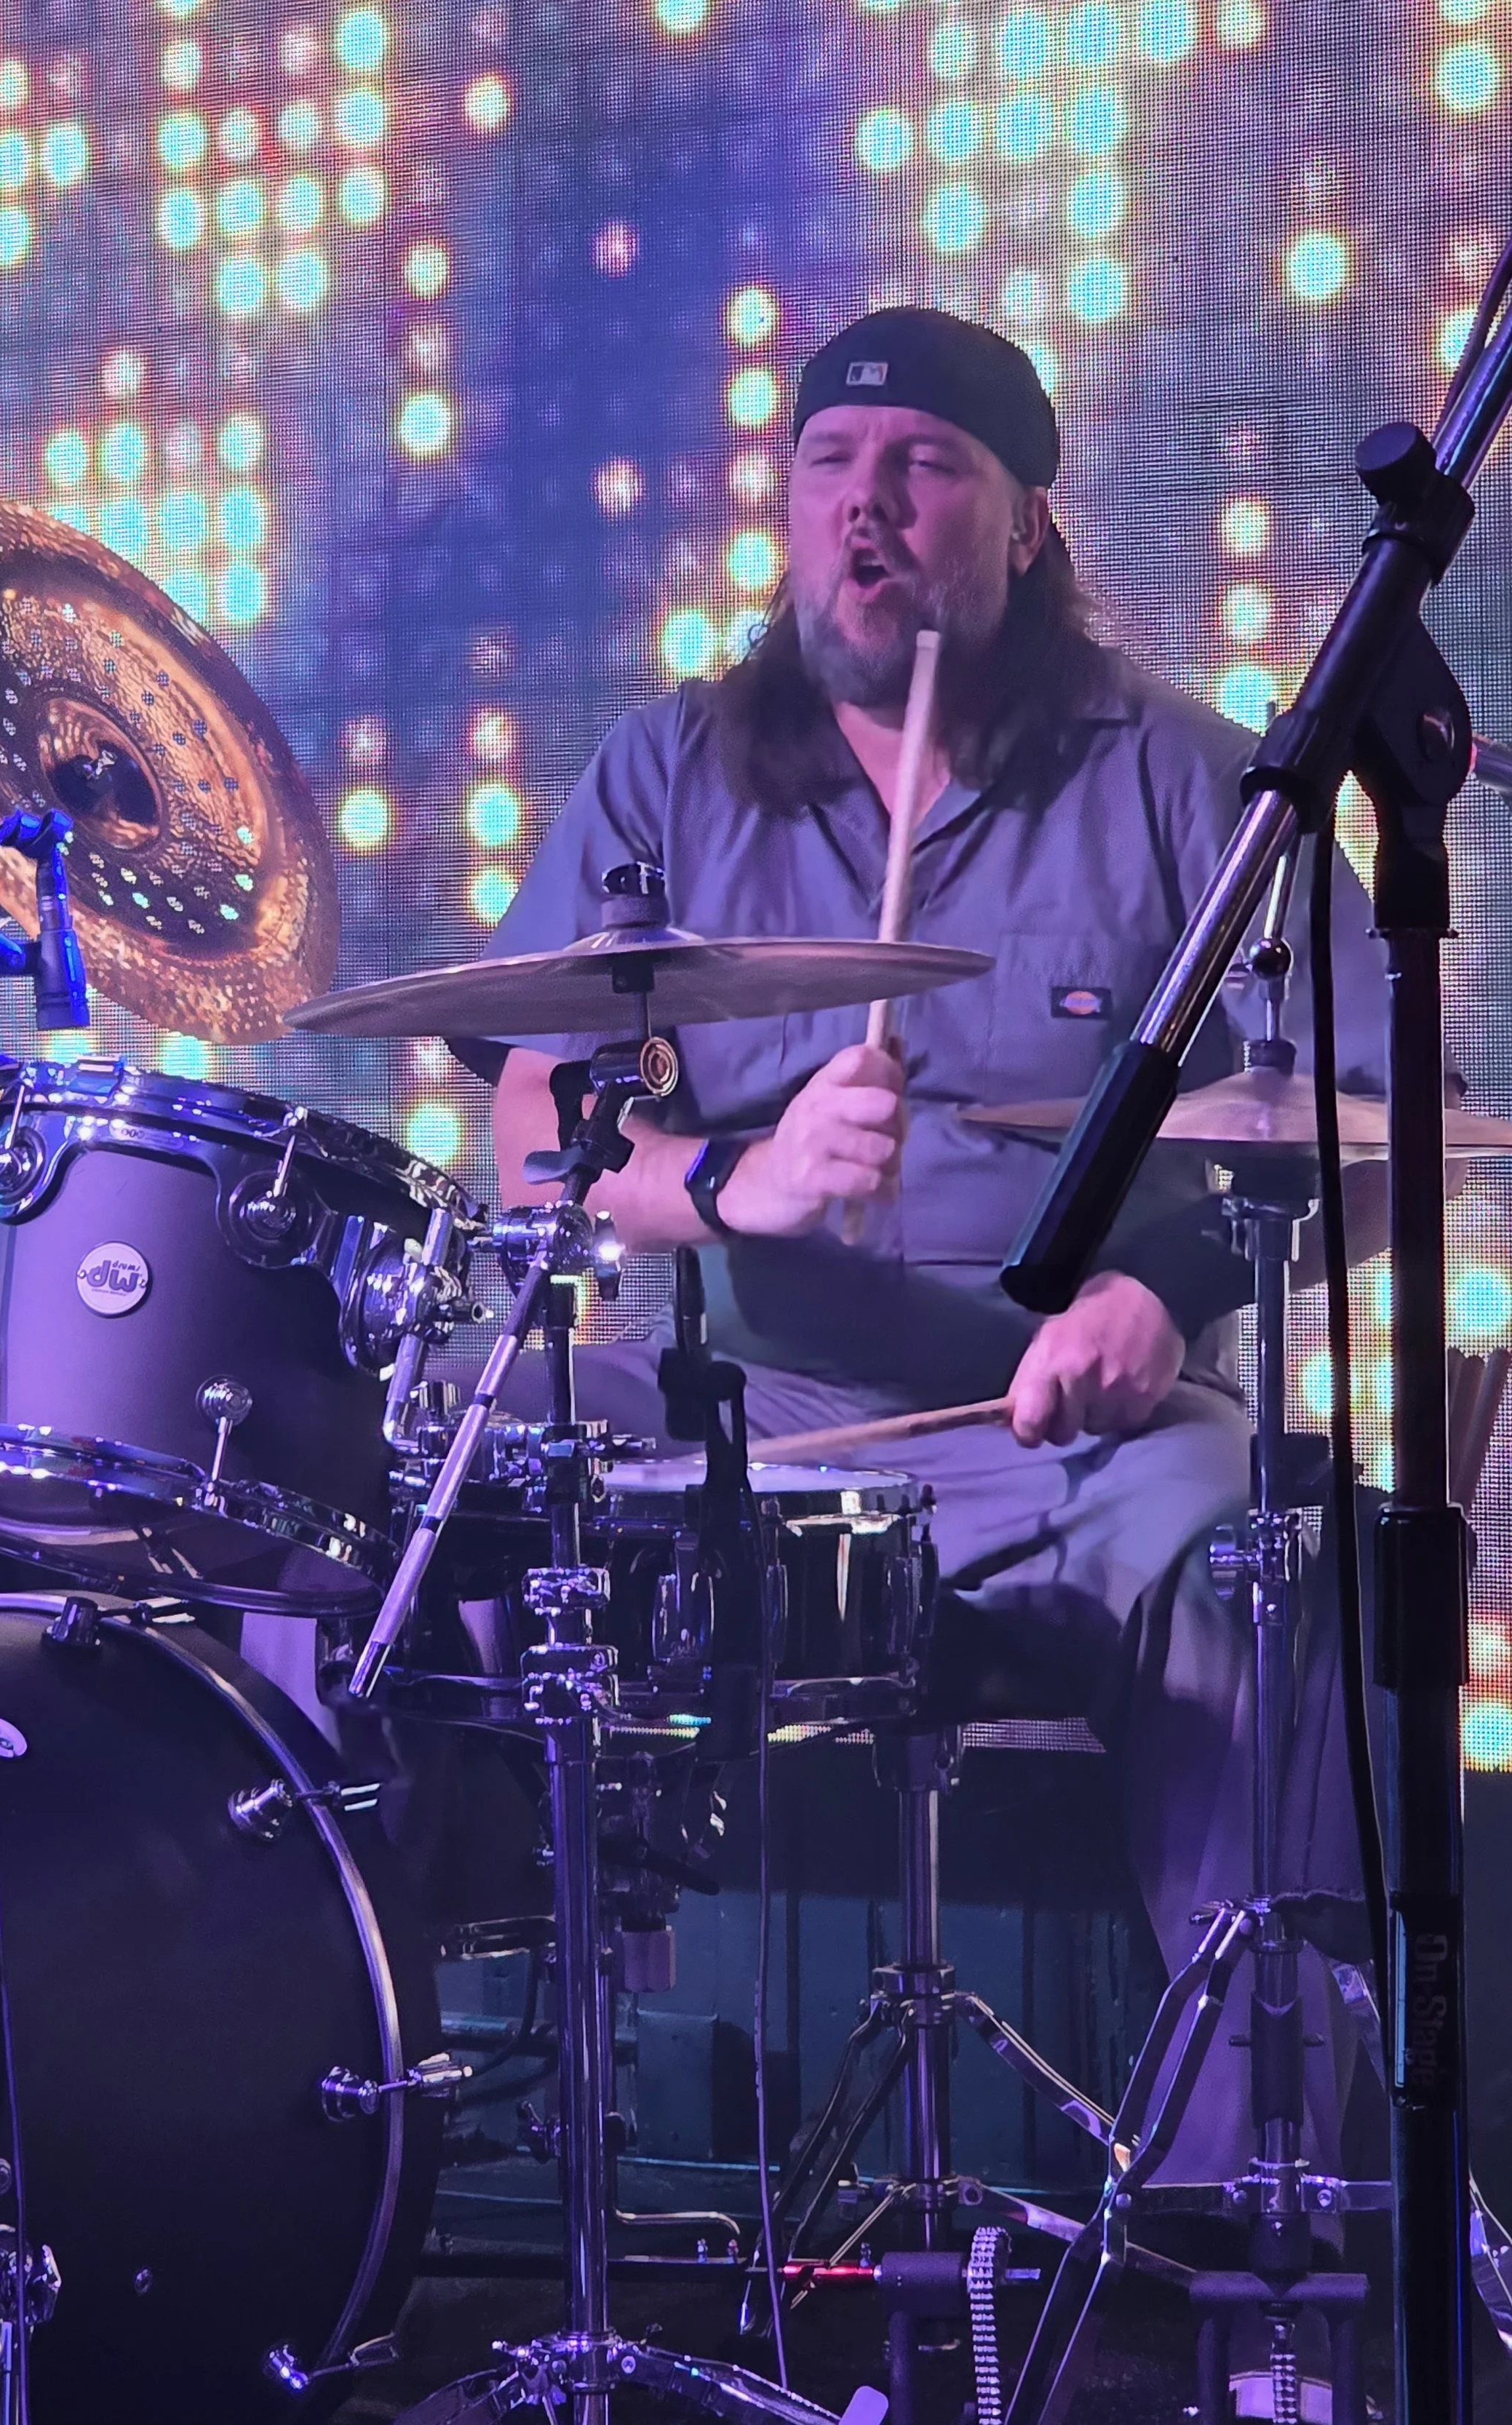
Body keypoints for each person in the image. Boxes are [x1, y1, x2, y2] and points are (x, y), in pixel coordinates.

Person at [454, 304, 1393, 2199]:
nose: (864, 504)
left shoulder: (1189, 783)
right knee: (447, 1489)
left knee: (1254, 1570)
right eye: (827, 464)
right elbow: (531, 1130)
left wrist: (1169, 1295)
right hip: (751, 1409)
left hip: (1079, 1429)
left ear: (1025, 522)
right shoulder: (667, 772)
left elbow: (1374, 1132)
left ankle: (1247, 2215)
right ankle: (461, 2137)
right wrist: (736, 1188)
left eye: (923, 464)